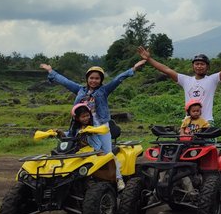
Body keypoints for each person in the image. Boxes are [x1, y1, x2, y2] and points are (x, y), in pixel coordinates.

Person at [40, 60, 145, 190]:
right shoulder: (79, 90)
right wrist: (51, 71)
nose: (94, 81)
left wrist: (133, 69)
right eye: (91, 78)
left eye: (97, 78)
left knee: (107, 154)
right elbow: (65, 81)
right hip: (83, 127)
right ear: (87, 79)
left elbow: (118, 79)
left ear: (101, 80)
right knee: (79, 153)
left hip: (101, 127)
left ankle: (118, 179)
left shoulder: (104, 90)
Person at [137, 43, 221, 123]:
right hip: (188, 122)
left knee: (208, 151)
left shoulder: (212, 80)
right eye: (196, 64)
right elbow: (166, 70)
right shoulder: (185, 80)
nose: (199, 66)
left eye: (202, 64)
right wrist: (149, 59)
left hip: (206, 122)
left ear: (207, 67)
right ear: (193, 66)